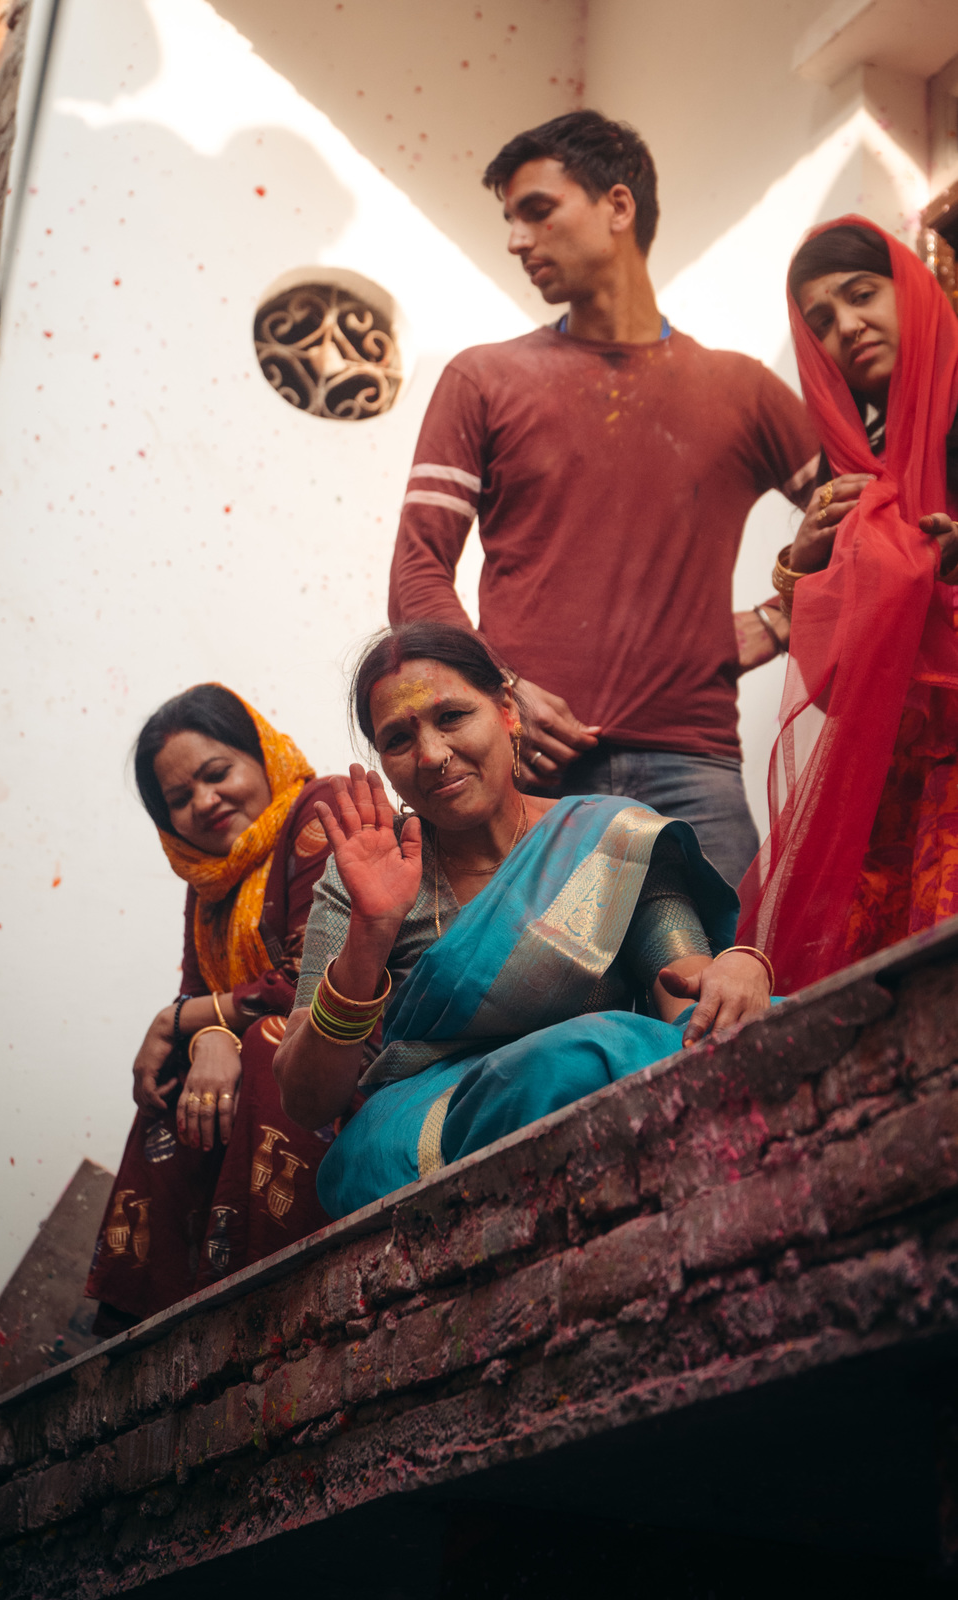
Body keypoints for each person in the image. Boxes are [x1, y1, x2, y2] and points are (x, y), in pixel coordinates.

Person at [387, 109, 822, 889]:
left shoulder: (745, 391)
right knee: (537, 1012)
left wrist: (779, 614)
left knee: (734, 1000)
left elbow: (867, 525)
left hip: (695, 767)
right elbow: (417, 577)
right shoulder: (481, 378)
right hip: (530, 776)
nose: (517, 240)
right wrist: (501, 689)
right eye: (509, 221)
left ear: (617, 207)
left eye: (537, 211)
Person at [273, 622, 772, 1219]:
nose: (432, 755)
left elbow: (686, 993)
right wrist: (370, 934)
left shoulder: (608, 836)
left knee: (605, 1055)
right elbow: (308, 1102)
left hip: (591, 1072)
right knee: (560, 1065)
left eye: (452, 717)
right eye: (399, 740)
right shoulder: (360, 878)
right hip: (426, 1123)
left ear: (507, 710)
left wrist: (739, 969)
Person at [737, 217, 958, 991]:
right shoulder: (858, 464)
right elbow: (834, 676)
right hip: (902, 779)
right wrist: (806, 566)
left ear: (912, 288)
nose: (846, 329)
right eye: (820, 322)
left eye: (861, 296)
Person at [87, 685, 337, 1332]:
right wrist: (202, 1036)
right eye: (178, 799)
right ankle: (129, 1315)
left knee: (268, 1042)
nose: (203, 802)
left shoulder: (321, 809)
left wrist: (182, 1022)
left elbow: (317, 980)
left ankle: (257, 1296)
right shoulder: (208, 884)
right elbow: (201, 1002)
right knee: (174, 1076)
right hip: (264, 1051)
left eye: (216, 773)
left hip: (358, 1044)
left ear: (261, 754)